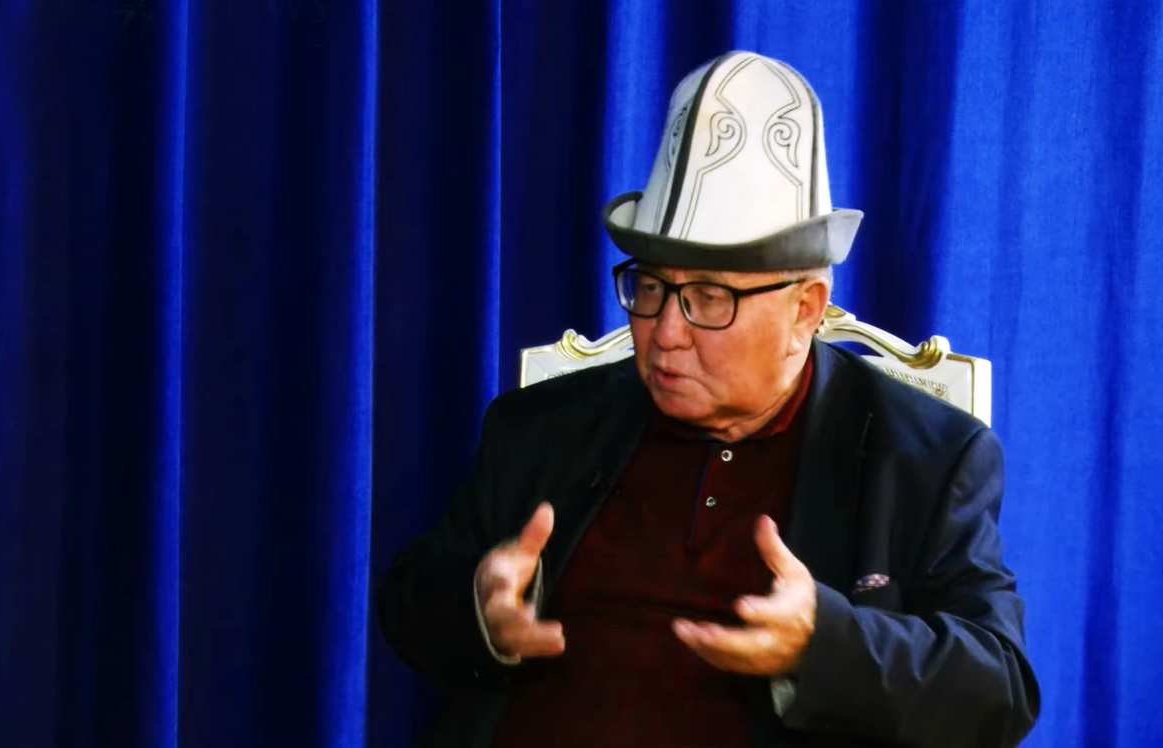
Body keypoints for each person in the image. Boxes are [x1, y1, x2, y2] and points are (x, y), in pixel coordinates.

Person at [377, 51, 1040, 748]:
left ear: (805, 310)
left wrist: (825, 643)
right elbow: (407, 604)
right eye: (651, 287)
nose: (665, 332)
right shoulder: (541, 424)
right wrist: (480, 614)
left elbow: (999, 689)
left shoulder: (926, 457)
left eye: (709, 298)